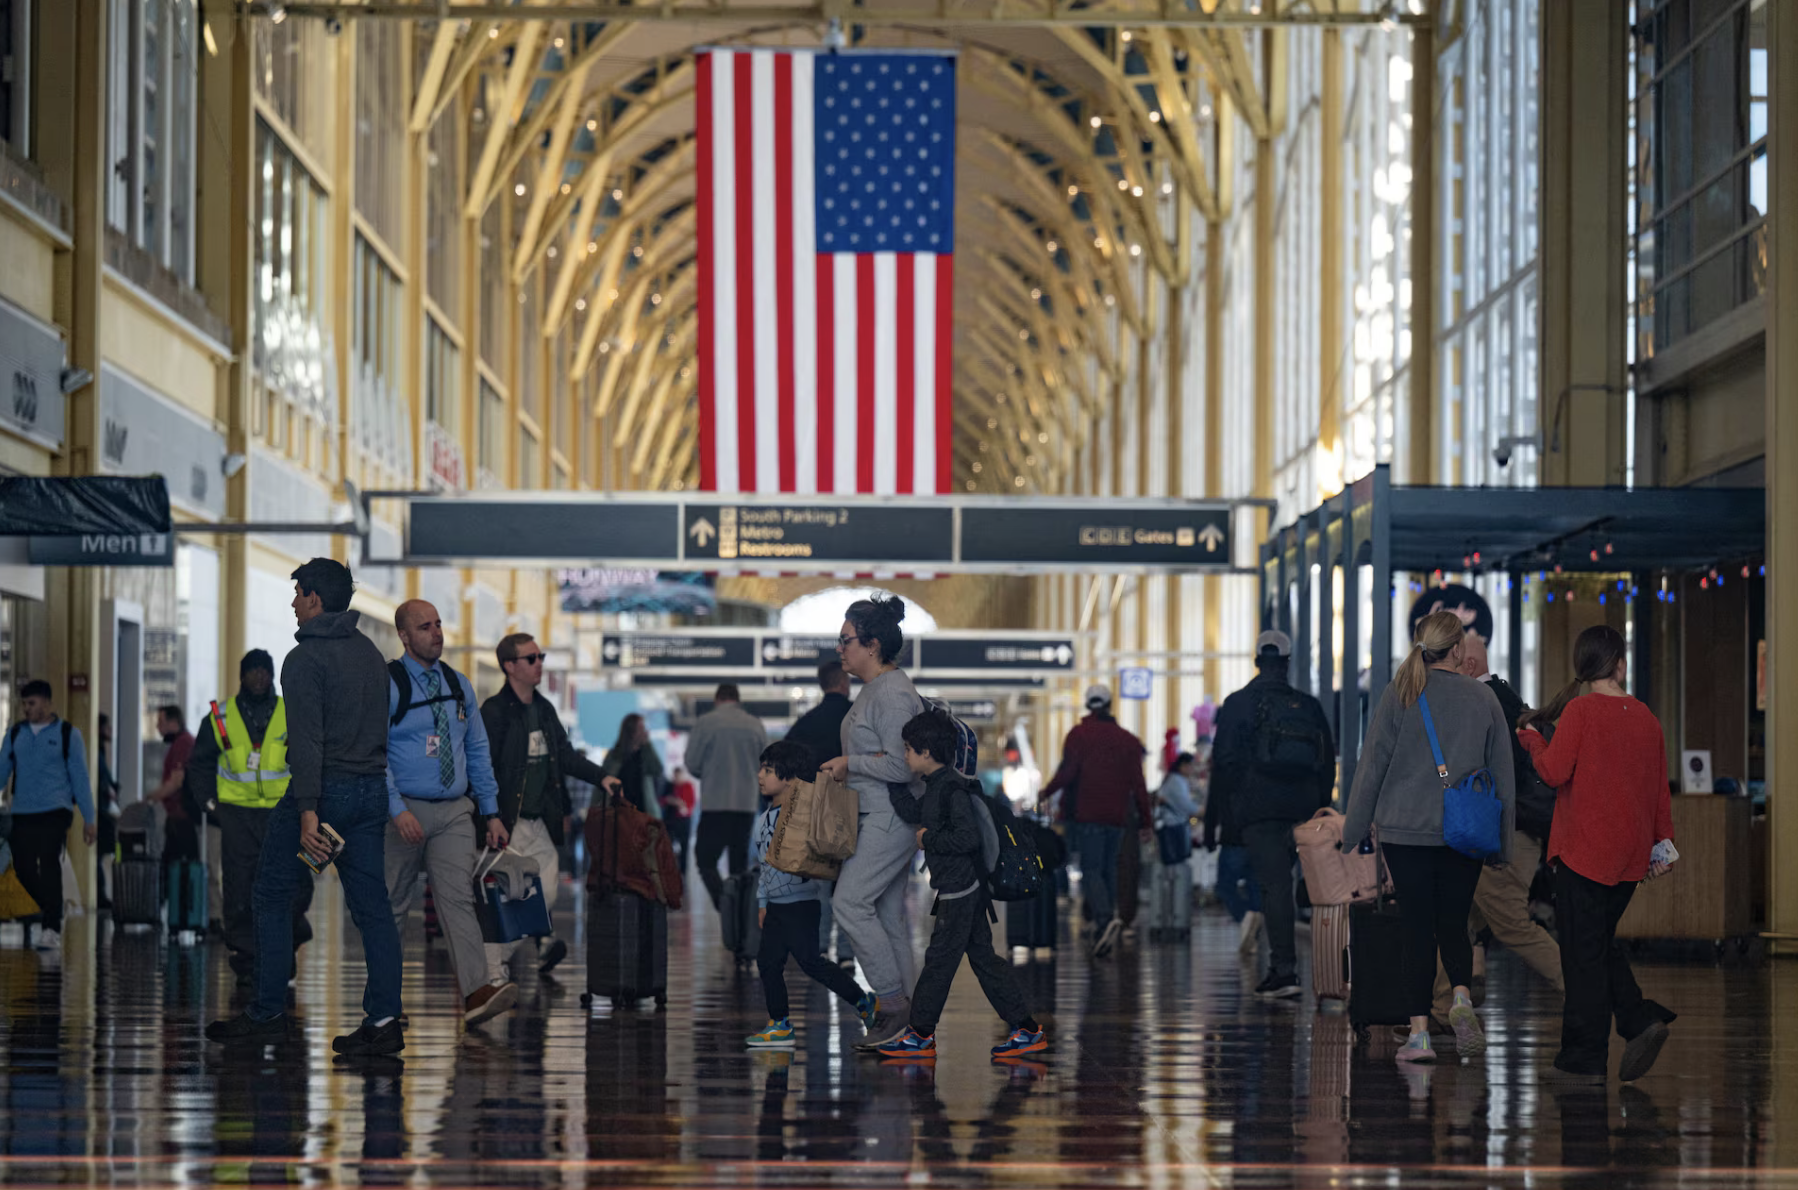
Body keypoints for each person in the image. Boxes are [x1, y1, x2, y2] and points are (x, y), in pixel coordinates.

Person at [206, 558, 404, 1058]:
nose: (293, 603)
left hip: (323, 796)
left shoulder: (304, 659)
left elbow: (309, 743)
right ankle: (383, 1020)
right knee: (373, 909)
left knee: (271, 893)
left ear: (315, 598)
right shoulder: (370, 654)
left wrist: (309, 811)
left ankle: (267, 1012)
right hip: (369, 795)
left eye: (298, 594)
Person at [1340, 610, 1515, 1064]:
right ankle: (1460, 997)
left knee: (1416, 929)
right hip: (1466, 832)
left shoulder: (1401, 693)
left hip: (1405, 831)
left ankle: (1418, 1037)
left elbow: (1371, 765)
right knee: (1454, 923)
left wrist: (1352, 830)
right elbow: (1503, 776)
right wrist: (1503, 847)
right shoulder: (1484, 700)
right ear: (1458, 650)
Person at [1518, 624, 1677, 1084]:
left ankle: (1583, 1059)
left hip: (1584, 853)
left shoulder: (1582, 713)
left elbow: (1551, 772)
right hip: (1629, 861)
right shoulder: (1647, 718)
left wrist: (1531, 739)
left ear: (1583, 667)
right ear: (1621, 664)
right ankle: (1637, 1018)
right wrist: (1662, 847)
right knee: (1595, 946)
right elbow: (1658, 794)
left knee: (1582, 957)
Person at [874, 710, 1047, 1062]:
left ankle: (920, 1035)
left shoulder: (951, 789)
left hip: (961, 890)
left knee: (939, 962)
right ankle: (1025, 1029)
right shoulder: (939, 786)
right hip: (964, 890)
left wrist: (928, 840)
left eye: (907, 749)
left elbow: (966, 838)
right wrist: (890, 780)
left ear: (926, 753)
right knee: (984, 960)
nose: (905, 755)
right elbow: (913, 812)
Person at [382, 600, 517, 1026]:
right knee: (393, 905)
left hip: (455, 812)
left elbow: (477, 751)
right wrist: (395, 808)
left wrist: (491, 812)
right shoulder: (389, 684)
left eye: (439, 624)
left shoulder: (459, 685)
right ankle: (385, 1001)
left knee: (458, 899)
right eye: (425, 627)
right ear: (404, 636)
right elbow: (375, 753)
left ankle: (477, 991)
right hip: (404, 811)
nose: (436, 633)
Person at [1424, 631, 1564, 1031]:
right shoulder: (1509, 699)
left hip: (1495, 837)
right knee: (1454, 913)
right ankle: (1444, 1007)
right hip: (1511, 833)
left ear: (1467, 666)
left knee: (1512, 925)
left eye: (1448, 665)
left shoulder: (1479, 704)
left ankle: (1589, 991)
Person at [817, 596, 924, 1049]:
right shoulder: (876, 690)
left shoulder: (894, 693)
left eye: (846, 641)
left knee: (848, 903)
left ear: (872, 644)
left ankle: (892, 1002)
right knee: (886, 914)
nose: (840, 649)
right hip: (875, 814)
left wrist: (850, 763)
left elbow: (903, 767)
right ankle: (912, 1019)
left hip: (889, 814)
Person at [482, 632, 619, 982]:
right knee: (513, 898)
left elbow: (567, 756)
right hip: (507, 825)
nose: (539, 663)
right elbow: (480, 767)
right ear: (510, 666)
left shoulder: (543, 709)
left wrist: (602, 777)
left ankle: (493, 959)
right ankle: (492, 970)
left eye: (540, 656)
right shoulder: (495, 713)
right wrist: (489, 816)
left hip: (540, 821)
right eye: (531, 658)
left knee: (546, 893)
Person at [1207, 630, 1336, 999]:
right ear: (1286, 662)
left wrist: (1225, 817)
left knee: (1274, 886)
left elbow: (1223, 764)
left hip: (1259, 810)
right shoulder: (1307, 706)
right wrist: (1320, 808)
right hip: (1303, 809)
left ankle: (1285, 971)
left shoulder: (1237, 704)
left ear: (1256, 661)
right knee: (1301, 884)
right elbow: (1326, 761)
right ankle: (1323, 969)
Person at [184, 650, 315, 986]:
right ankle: (247, 960)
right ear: (241, 676)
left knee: (293, 886)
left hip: (283, 814)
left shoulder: (293, 711)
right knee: (241, 890)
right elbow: (198, 767)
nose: (260, 677)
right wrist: (212, 807)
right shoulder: (220, 716)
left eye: (265, 672)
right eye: (253, 672)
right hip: (237, 817)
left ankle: (288, 946)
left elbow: (313, 759)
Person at [743, 740, 877, 1048]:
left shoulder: (807, 819)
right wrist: (762, 903)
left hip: (802, 905)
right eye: (761, 769)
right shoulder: (761, 821)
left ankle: (862, 1001)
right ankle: (779, 1024)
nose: (760, 776)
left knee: (810, 962)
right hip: (776, 907)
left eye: (768, 770)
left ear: (789, 778)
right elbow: (763, 866)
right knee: (768, 963)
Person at [1037, 684, 1153, 959]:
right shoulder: (1129, 740)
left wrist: (1046, 792)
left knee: (1091, 869)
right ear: (1111, 705)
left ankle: (1104, 920)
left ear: (1088, 706)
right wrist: (1146, 822)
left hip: (1086, 814)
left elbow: (1068, 771)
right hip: (1117, 817)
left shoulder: (1078, 735)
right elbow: (1139, 784)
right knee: (1109, 869)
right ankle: (1109, 916)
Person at [0, 680, 97, 951]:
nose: (26, 709)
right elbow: (1, 771)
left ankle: (51, 928)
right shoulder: (15, 734)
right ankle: (52, 908)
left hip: (56, 810)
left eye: (32, 703)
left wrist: (89, 819)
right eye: (24, 704)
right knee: (22, 867)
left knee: (49, 861)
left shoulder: (68, 735)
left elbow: (79, 778)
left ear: (47, 703)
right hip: (23, 811)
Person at [780, 659, 856, 969]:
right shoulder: (855, 717)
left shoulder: (805, 724)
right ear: (843, 682)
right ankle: (849, 954)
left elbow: (784, 763)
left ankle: (821, 948)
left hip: (815, 811)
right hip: (853, 808)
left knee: (821, 883)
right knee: (850, 884)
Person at [684, 684, 768, 910]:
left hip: (715, 803)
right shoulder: (755, 725)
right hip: (746, 804)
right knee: (738, 867)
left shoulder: (706, 723)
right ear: (737, 699)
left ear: (717, 699)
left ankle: (724, 904)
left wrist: (709, 773)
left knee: (705, 860)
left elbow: (692, 763)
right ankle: (739, 918)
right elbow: (765, 765)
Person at [153, 705, 198, 867]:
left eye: (161, 722)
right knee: (172, 863)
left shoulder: (183, 743)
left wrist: (152, 797)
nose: (158, 727)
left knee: (176, 866)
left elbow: (176, 781)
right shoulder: (181, 743)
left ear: (174, 723)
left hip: (182, 816)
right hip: (178, 816)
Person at [786, 661, 853, 765]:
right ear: (843, 683)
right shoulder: (859, 714)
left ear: (822, 685)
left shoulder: (804, 723)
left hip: (814, 779)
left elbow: (785, 755)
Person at [602, 714, 665, 819]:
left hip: (643, 812)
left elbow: (657, 770)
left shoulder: (644, 755)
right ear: (631, 731)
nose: (644, 732)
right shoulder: (614, 756)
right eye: (640, 728)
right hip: (618, 814)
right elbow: (602, 782)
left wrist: (648, 745)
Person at [1155, 753, 1200, 865]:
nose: (1193, 769)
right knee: (1176, 859)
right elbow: (1185, 804)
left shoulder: (1178, 780)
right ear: (1183, 766)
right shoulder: (1176, 781)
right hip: (1173, 825)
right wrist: (1201, 810)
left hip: (1176, 823)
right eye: (1192, 766)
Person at [95, 713, 119, 911]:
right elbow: (100, 779)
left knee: (100, 855)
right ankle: (100, 895)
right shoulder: (96, 752)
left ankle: (101, 894)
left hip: (101, 810)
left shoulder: (99, 751)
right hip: (99, 811)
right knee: (99, 854)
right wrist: (108, 789)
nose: (110, 731)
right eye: (106, 727)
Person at [660, 766, 696, 876]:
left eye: (679, 776)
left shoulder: (688, 786)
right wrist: (670, 801)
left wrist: (682, 805)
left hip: (684, 820)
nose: (677, 779)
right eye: (675, 776)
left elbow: (691, 803)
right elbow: (661, 799)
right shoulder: (669, 786)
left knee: (684, 845)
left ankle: (683, 870)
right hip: (670, 820)